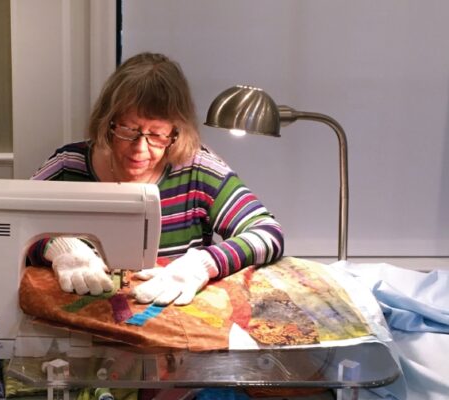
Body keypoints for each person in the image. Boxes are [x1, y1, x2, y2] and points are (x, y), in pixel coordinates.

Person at [27, 52, 284, 306]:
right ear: (108, 122)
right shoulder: (68, 166)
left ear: (176, 132)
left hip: (179, 329)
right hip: (81, 329)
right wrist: (58, 247)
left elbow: (267, 234)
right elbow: (10, 227)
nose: (140, 148)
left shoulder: (197, 168)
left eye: (158, 134)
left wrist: (203, 264)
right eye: (128, 130)